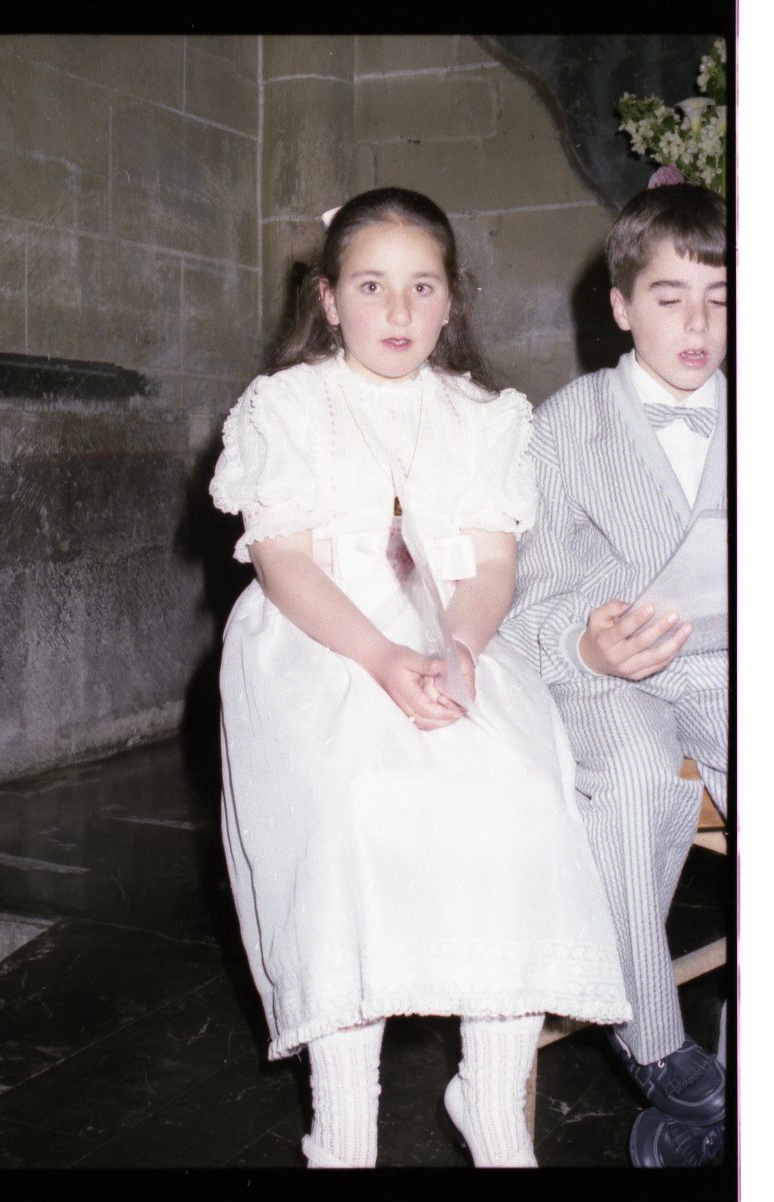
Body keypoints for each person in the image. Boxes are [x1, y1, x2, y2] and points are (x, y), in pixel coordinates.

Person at [210, 187, 629, 1169]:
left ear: (451, 300)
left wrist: (459, 648)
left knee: (518, 793)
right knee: (353, 802)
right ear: (328, 300)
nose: (397, 310)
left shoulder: (483, 415)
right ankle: (342, 1120)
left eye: (421, 287)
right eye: (370, 286)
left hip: (449, 631)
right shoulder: (286, 406)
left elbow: (488, 566)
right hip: (319, 637)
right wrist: (380, 657)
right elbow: (283, 560)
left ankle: (491, 1097)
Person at [499, 182, 728, 1169]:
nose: (698, 324)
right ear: (621, 306)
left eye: (720, 299)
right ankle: (654, 1040)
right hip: (609, 675)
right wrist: (584, 646)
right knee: (634, 781)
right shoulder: (565, 423)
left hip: (727, 667)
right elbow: (522, 598)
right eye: (670, 297)